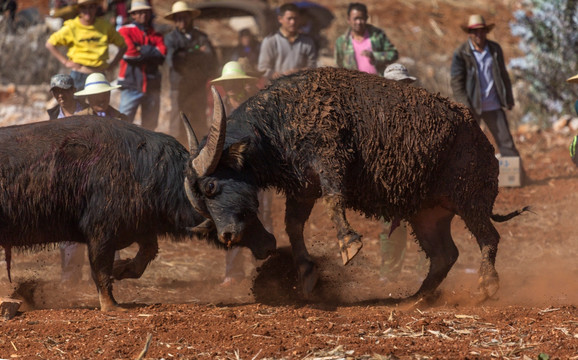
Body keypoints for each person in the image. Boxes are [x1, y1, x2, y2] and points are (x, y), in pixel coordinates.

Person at [210, 61, 273, 286]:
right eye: (228, 83)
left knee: (264, 215)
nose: (232, 87)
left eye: (235, 82)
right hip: (232, 175)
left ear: (243, 83)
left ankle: (265, 269)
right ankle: (234, 271)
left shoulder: (255, 107)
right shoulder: (220, 108)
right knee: (233, 219)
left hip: (256, 170)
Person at [450, 14, 525, 181]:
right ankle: (467, 181)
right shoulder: (461, 53)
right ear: (469, 33)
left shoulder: (495, 49)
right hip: (473, 107)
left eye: (481, 31)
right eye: (474, 31)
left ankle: (517, 179)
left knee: (506, 143)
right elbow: (456, 81)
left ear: (486, 31)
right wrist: (464, 106)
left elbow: (503, 75)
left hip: (494, 105)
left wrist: (508, 99)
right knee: (468, 144)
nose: (478, 35)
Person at [379, 63, 426, 283]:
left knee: (424, 227)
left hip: (417, 180)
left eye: (404, 84)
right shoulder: (376, 115)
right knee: (391, 229)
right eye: (394, 84)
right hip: (389, 182)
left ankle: (427, 274)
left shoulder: (421, 113)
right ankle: (389, 276)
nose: (400, 88)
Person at [46, 74, 88, 284]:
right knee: (69, 228)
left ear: (73, 91)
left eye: (64, 90)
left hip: (91, 175)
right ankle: (70, 279)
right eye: (56, 91)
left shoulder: (89, 113)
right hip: (66, 179)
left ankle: (109, 278)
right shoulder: (52, 115)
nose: (60, 95)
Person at [164, 0, 217, 142]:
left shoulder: (201, 36)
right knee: (177, 119)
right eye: (178, 17)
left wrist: (185, 54)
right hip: (179, 86)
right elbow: (173, 61)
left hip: (197, 85)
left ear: (190, 17)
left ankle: (201, 147)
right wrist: (196, 52)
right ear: (175, 20)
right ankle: (176, 147)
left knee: (199, 116)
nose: (182, 20)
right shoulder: (170, 39)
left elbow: (209, 56)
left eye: (184, 16)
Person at [45, 0, 127, 91]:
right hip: (79, 75)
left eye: (91, 7)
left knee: (99, 105)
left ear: (96, 8)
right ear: (78, 9)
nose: (88, 11)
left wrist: (113, 65)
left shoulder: (105, 26)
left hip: (99, 75)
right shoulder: (72, 26)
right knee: (76, 104)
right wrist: (65, 62)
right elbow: (50, 44)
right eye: (84, 7)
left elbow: (123, 46)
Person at [117, 0, 166, 131]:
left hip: (152, 85)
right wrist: (151, 51)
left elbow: (162, 55)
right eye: (139, 12)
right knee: (123, 124)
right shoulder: (124, 31)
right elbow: (130, 54)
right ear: (133, 15)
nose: (143, 15)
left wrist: (141, 49)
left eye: (146, 11)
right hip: (131, 83)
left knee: (150, 127)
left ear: (150, 13)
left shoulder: (156, 35)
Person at [257, 2, 317, 82]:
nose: (293, 22)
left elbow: (313, 66)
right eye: (289, 18)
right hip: (276, 88)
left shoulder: (307, 42)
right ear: (280, 19)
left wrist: (298, 71)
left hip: (301, 87)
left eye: (295, 18)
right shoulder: (270, 41)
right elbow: (263, 68)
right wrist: (274, 74)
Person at [334, 2, 398, 75]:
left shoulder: (377, 35)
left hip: (380, 83)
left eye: (361, 18)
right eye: (355, 19)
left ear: (366, 18)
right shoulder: (341, 42)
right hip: (354, 85)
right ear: (349, 19)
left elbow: (393, 54)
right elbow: (338, 66)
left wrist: (375, 55)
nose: (358, 22)